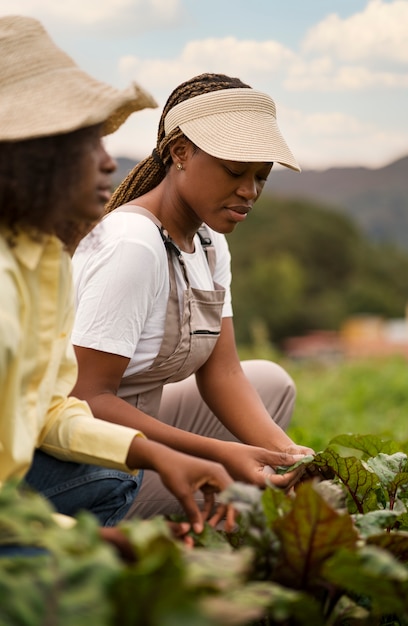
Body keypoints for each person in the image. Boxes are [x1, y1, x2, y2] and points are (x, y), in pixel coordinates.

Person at [0, 15, 253, 548]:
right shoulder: (119, 245)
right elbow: (87, 396)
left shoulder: (40, 259)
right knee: (116, 476)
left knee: (125, 464)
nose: (107, 163)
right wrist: (107, 543)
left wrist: (153, 452)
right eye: (85, 144)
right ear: (27, 155)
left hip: (23, 496)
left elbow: (50, 411)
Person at [70, 72, 314, 519]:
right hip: (88, 456)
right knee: (242, 490)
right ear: (180, 152)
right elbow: (85, 398)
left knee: (272, 385)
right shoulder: (133, 244)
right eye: (235, 171)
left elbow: (223, 373)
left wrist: (288, 456)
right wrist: (220, 454)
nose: (250, 191)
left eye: (262, 176)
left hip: (143, 427)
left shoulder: (207, 242)